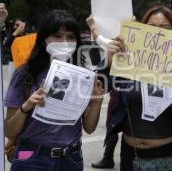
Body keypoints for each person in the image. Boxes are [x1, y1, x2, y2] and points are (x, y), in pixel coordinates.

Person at [98, 4, 172, 171]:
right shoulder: (127, 63)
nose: (158, 33)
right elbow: (99, 87)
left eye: (164, 28)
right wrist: (108, 62)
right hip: (130, 155)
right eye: (151, 28)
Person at [4, 10, 103, 171]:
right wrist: (27, 106)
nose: (64, 42)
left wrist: (97, 102)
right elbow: (9, 130)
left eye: (70, 37)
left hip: (72, 158)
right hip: (28, 154)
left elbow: (90, 128)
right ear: (44, 39)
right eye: (57, 36)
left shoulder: (82, 75)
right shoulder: (25, 73)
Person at [86, 15, 119, 169]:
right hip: (118, 92)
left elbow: (101, 41)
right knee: (112, 124)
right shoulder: (111, 48)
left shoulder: (129, 42)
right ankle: (108, 157)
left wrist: (93, 28)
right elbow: (97, 72)